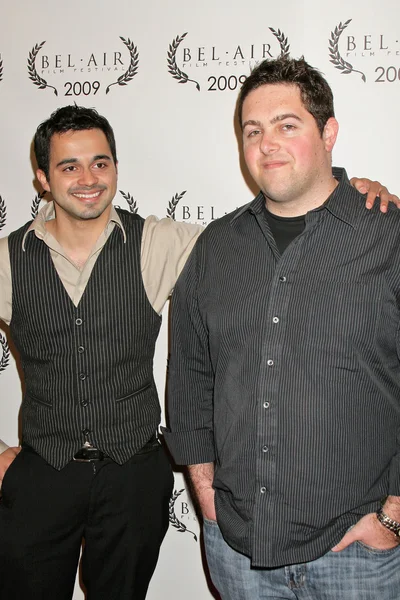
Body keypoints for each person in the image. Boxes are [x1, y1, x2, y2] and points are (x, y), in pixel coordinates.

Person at [0, 105, 395, 600]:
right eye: (68, 166)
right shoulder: (7, 258)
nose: (88, 178)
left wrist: (355, 191)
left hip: (133, 476)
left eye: (101, 163)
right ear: (42, 177)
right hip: (43, 473)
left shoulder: (163, 242)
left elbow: (256, 240)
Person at [164, 57, 400, 600]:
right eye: (253, 130)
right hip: (238, 552)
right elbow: (191, 382)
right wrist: (207, 499)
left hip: (358, 556)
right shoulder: (216, 249)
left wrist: (391, 516)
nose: (267, 143)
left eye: (286, 125)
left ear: (329, 132)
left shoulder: (387, 237)